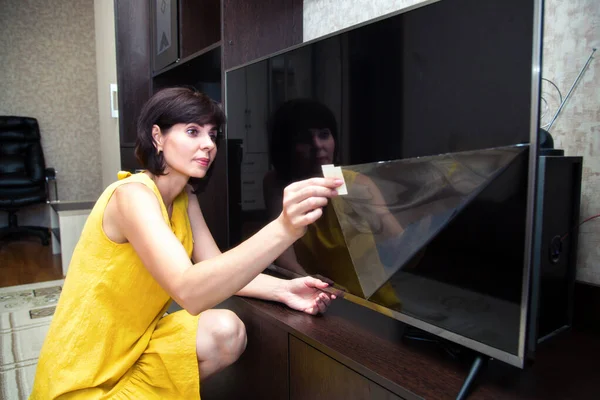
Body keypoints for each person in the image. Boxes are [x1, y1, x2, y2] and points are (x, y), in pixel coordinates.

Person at [30, 87, 342, 399]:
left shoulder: (183, 197)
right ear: (157, 137)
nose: (208, 144)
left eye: (212, 134)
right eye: (192, 131)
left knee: (226, 332)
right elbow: (190, 291)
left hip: (137, 348)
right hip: (85, 373)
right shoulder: (132, 196)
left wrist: (284, 289)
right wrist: (284, 228)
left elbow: (213, 267)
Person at [263, 98, 403, 305]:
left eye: (324, 135)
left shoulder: (354, 183)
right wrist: (312, 286)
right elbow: (284, 256)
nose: (317, 145)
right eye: (304, 139)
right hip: (311, 294)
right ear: (286, 146)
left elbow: (398, 241)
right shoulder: (276, 183)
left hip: (366, 302)